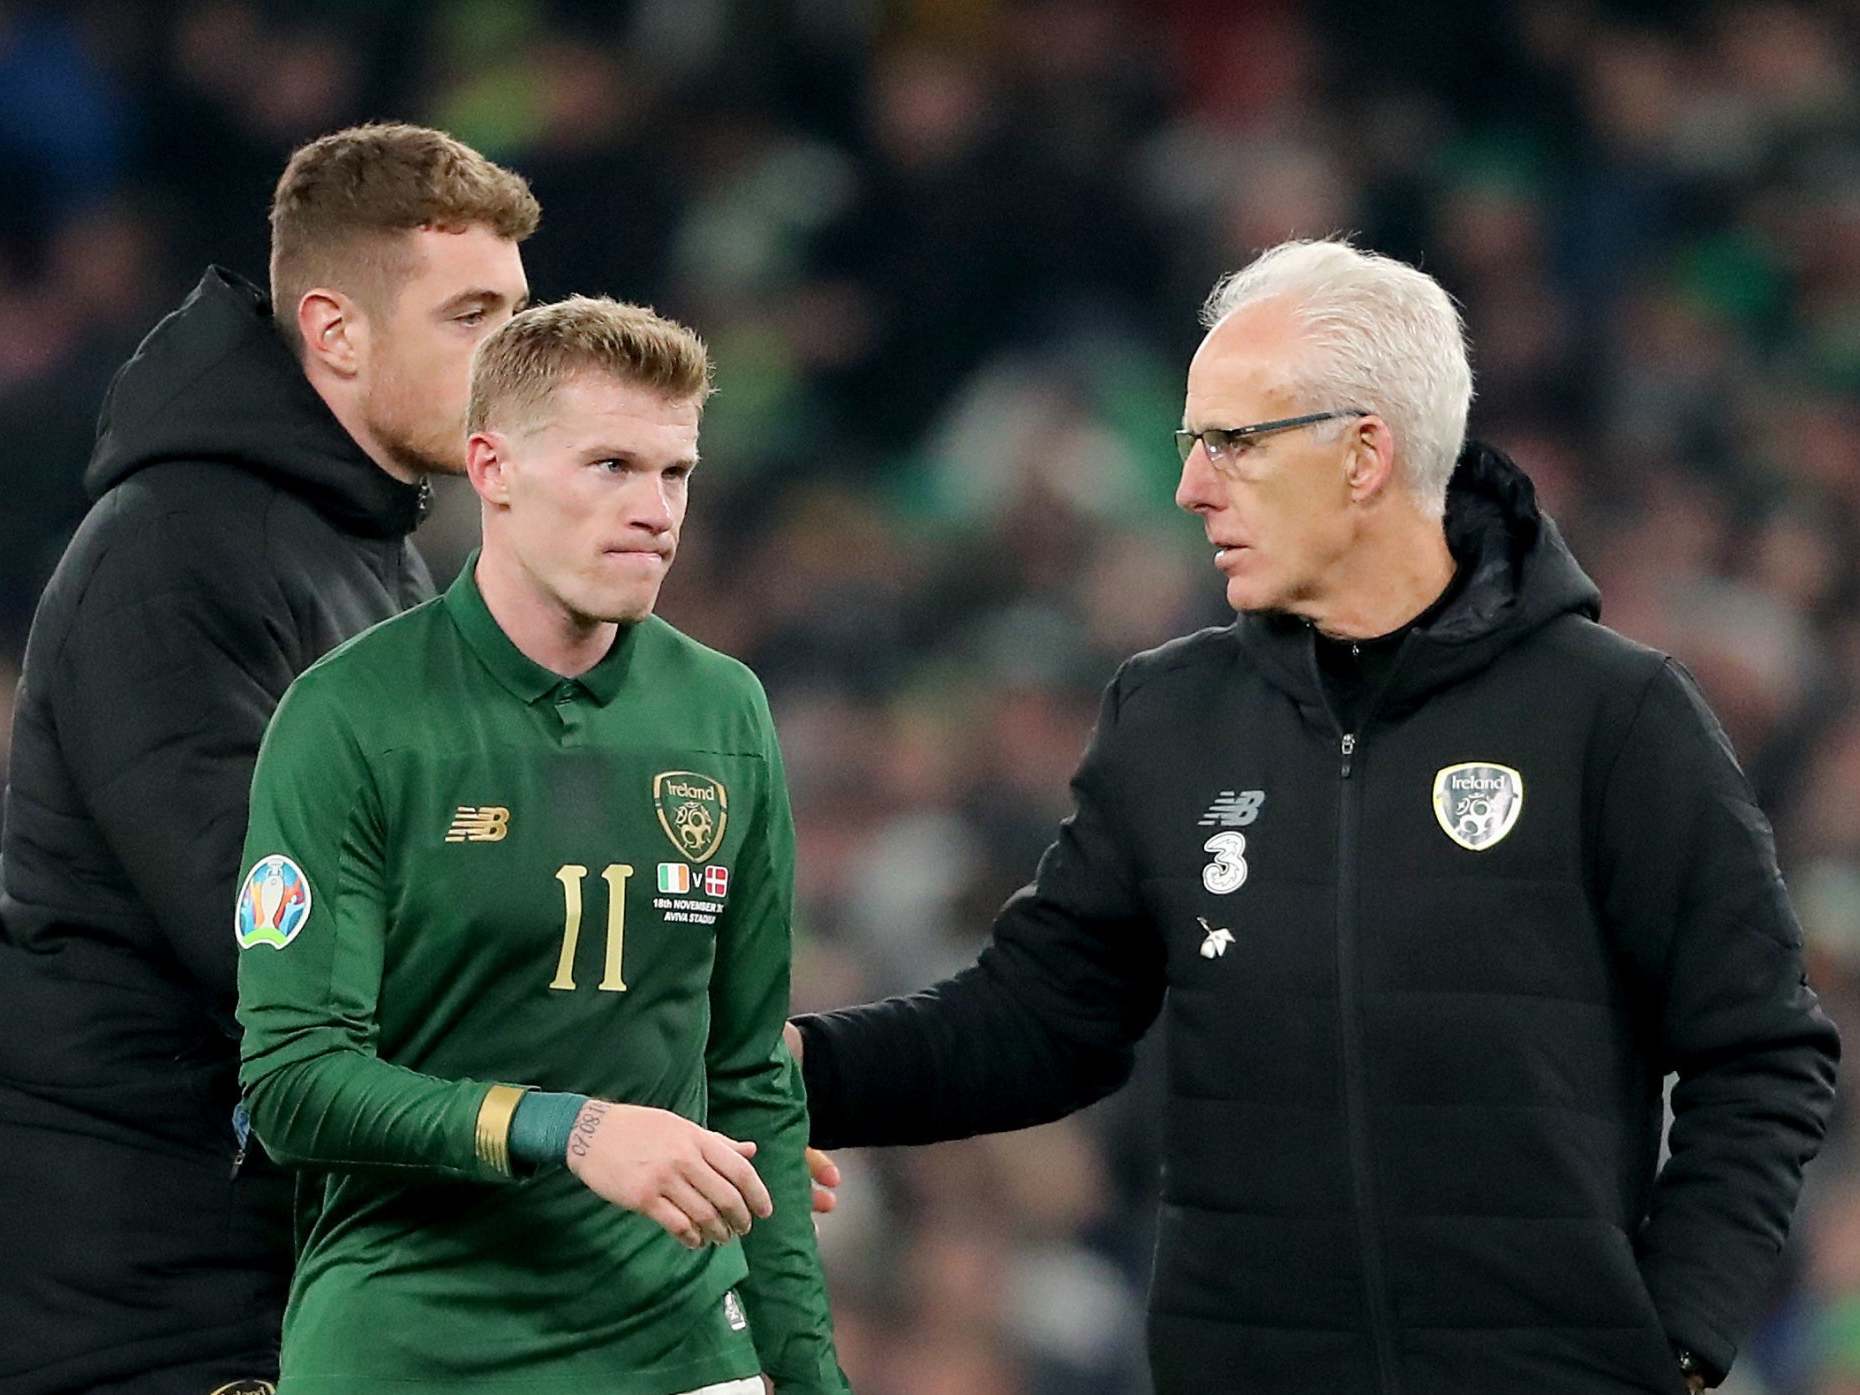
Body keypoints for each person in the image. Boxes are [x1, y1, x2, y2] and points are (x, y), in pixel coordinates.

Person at [790, 239, 1839, 1395]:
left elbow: (1761, 1051)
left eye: (1233, 441)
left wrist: (1678, 1341)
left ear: (1363, 455)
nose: (1190, 485)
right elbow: (1038, 1022)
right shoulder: (1171, 714)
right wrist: (798, 1071)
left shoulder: (1614, 715)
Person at [0, 123, 537, 1395]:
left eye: (521, 318)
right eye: (472, 318)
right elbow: (268, 928)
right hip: (141, 1303)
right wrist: (585, 1095)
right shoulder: (174, 548)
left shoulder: (374, 559)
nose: (518, 368)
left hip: (282, 1276)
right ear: (336, 331)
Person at [235, 296, 848, 1395]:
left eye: (676, 474)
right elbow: (293, 1085)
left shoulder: (723, 714)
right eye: (611, 465)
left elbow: (752, 1078)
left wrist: (809, 1378)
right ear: (493, 468)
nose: (656, 510)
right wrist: (568, 1130)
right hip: (414, 1342)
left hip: (678, 1347)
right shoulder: (350, 718)